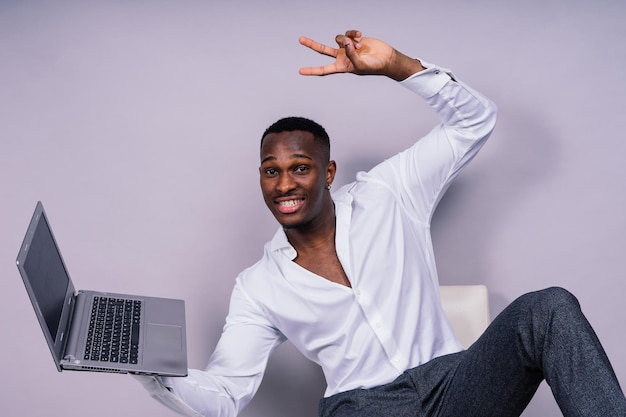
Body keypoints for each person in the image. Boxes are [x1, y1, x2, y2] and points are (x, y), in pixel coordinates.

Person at [136, 30, 626, 417]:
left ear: (328, 173)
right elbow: (223, 394)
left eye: (300, 167)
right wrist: (148, 366)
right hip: (361, 407)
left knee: (549, 308)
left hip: (453, 386)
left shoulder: (388, 193)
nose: (285, 183)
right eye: (271, 170)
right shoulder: (258, 286)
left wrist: (398, 68)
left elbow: (474, 121)